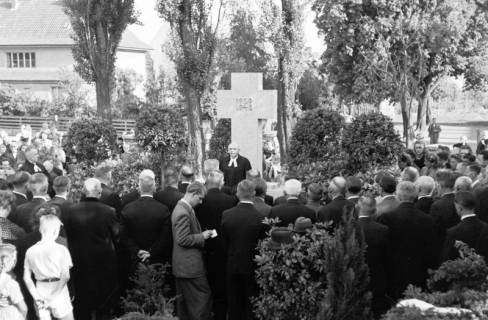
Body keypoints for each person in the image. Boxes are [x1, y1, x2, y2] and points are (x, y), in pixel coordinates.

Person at [63, 178, 119, 320]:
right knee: (103, 304)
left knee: (82, 304)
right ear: (99, 193)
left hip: (78, 262)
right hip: (103, 264)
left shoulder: (70, 211)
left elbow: (66, 237)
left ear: (83, 192)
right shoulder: (109, 211)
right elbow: (117, 238)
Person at [377, 181, 437, 300]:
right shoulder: (427, 219)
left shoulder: (387, 218)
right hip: (419, 270)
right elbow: (432, 248)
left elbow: (382, 247)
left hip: (393, 271)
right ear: (415, 197)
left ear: (398, 196)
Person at [221, 180, 268, 320]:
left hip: (233, 263)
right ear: (253, 194)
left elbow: (224, 241)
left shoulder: (227, 214)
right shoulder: (260, 218)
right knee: (251, 303)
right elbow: (263, 244)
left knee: (234, 303)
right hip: (253, 266)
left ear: (237, 193)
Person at [194, 170, 237, 320]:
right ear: (222, 182)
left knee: (204, 285)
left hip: (202, 246)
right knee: (221, 286)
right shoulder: (231, 201)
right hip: (223, 249)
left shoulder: (199, 200)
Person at [172, 182, 213, 320]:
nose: (201, 202)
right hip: (190, 267)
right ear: (193, 194)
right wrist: (202, 236)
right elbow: (182, 239)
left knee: (186, 307)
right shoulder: (182, 211)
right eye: (200, 198)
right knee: (201, 302)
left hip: (184, 266)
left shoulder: (183, 208)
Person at [23, 214, 74, 320]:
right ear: (56, 231)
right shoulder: (61, 250)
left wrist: (37, 298)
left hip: (40, 289)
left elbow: (26, 278)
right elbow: (66, 276)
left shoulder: (30, 251)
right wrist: (53, 297)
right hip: (59, 292)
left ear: (41, 230)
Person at [121, 170, 172, 268]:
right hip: (157, 260)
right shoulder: (163, 210)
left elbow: (123, 234)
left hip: (135, 260)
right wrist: (151, 252)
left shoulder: (127, 209)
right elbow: (166, 236)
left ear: (139, 187)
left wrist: (137, 250)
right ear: (154, 187)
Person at [356, 196, 390, 317]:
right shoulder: (383, 230)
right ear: (375, 210)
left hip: (355, 279)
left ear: (357, 208)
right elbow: (387, 256)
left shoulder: (349, 228)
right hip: (377, 278)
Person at [442, 191, 488, 263]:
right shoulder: (485, 228)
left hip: (460, 271)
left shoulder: (453, 232)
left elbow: (447, 259)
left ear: (459, 208)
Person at [0, 244, 27, 320]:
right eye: (14, 258)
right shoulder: (10, 283)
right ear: (6, 260)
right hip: (10, 315)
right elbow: (23, 308)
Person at [430, 170, 459, 238]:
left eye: (436, 183)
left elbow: (434, 230)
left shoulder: (437, 205)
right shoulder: (460, 200)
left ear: (439, 185)